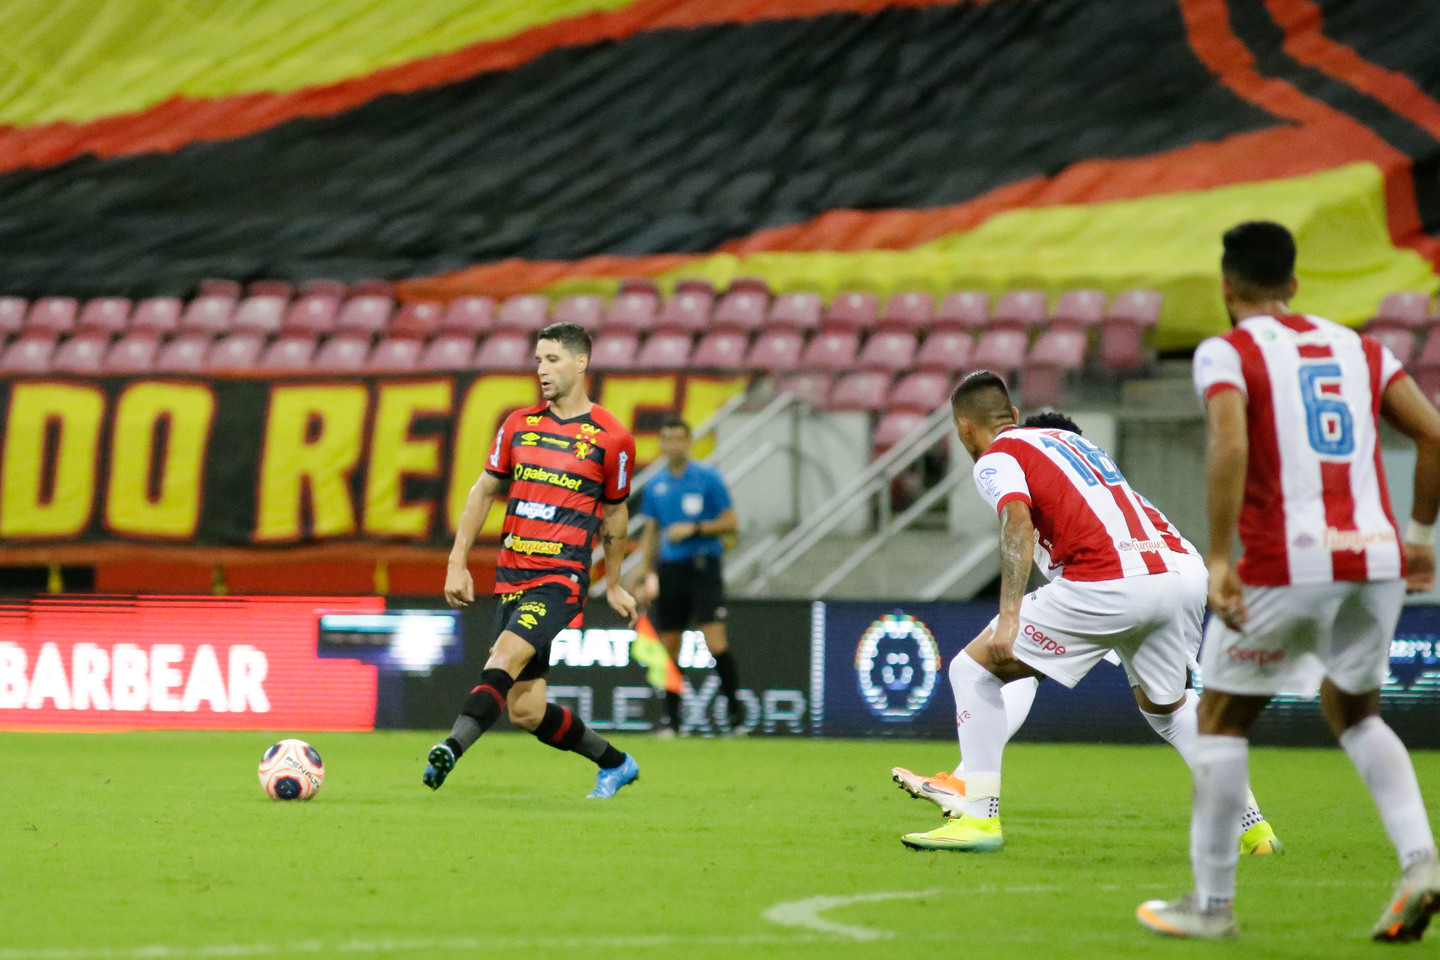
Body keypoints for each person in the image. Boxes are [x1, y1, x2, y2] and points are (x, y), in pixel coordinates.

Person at [1137, 221, 1440, 940]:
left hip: (1291, 561)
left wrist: (1217, 556)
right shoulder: (1362, 348)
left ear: (1227, 286)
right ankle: (1422, 862)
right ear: (1296, 284)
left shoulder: (1227, 351)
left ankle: (1211, 907)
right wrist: (1421, 536)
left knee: (1217, 720)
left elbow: (1230, 440)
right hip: (1374, 559)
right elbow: (1433, 433)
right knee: (1356, 710)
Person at [900, 378, 1278, 855]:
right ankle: (1255, 829)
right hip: (1179, 571)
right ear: (1013, 413)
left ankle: (978, 819)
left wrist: (1010, 614)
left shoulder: (996, 458)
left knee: (972, 669)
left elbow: (1016, 519)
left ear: (963, 428)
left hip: (1111, 580)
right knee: (1169, 709)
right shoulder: (1071, 441)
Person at [426, 321, 642, 799]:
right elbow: (484, 490)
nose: (540, 369)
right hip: (511, 577)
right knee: (526, 711)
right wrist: (456, 561)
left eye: (552, 359)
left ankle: (450, 749)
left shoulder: (611, 438)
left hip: (560, 579)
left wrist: (617, 582)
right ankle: (616, 763)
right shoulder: (518, 425)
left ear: (581, 362)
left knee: (502, 657)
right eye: (538, 360)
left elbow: (615, 513)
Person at [630, 416, 744, 735]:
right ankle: (672, 721)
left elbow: (732, 521)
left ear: (689, 442)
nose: (673, 445)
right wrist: (643, 567)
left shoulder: (708, 478)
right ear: (662, 444)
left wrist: (694, 528)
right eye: (667, 439)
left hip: (703, 565)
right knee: (668, 644)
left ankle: (736, 719)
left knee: (714, 640)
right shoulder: (656, 485)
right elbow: (652, 529)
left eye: (679, 439)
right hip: (671, 569)